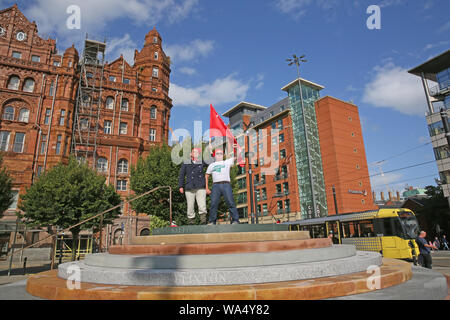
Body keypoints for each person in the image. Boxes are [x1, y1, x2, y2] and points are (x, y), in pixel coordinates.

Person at [205, 147, 240, 225]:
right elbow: (206, 176)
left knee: (230, 202)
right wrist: (206, 188)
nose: (219, 155)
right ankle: (212, 221)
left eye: (221, 154)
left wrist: (235, 148)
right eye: (217, 154)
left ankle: (235, 220)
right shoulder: (211, 165)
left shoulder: (227, 162)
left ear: (223, 155)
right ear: (214, 156)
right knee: (213, 203)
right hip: (215, 186)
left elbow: (236, 156)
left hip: (226, 184)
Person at [178, 148, 208, 225]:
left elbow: (210, 162)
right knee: (190, 206)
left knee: (202, 205)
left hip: (200, 186)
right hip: (189, 187)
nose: (196, 153)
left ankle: (203, 220)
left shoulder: (201, 162)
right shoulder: (186, 163)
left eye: (197, 152)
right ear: (191, 154)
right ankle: (191, 222)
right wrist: (181, 186)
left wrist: (210, 151)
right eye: (194, 152)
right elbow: (181, 175)